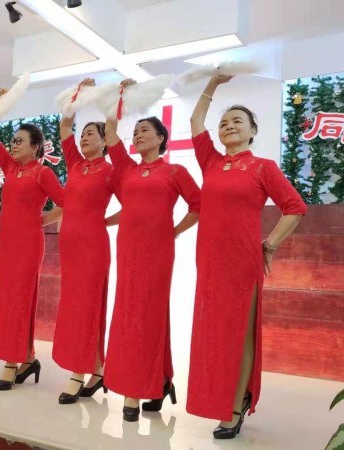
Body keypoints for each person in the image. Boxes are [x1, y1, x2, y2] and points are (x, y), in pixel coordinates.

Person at [186, 74, 306, 439]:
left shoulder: (263, 167)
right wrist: (212, 83)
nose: (229, 126)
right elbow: (195, 122)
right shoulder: (209, 161)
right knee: (214, 332)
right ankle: (221, 396)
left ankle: (235, 406)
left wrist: (269, 245)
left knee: (240, 334)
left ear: (253, 131)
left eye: (238, 121)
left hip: (242, 261)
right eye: (224, 123)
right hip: (208, 259)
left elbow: (295, 207)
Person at [102, 79, 201, 422]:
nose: (138, 135)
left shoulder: (175, 171)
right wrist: (120, 97)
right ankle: (159, 380)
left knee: (147, 315)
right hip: (127, 251)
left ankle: (135, 390)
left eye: (145, 130)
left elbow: (198, 206)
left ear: (161, 138)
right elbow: (110, 130)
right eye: (137, 131)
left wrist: (172, 232)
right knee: (130, 314)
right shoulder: (126, 169)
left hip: (157, 254)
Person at [0, 97, 65, 391]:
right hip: (9, 244)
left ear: (35, 147)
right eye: (14, 140)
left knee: (19, 300)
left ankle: (11, 361)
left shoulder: (42, 172)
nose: (14, 145)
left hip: (29, 246)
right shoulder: (10, 167)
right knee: (7, 300)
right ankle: (28, 358)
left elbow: (64, 203)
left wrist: (40, 222)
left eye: (20, 141)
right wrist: (0, 105)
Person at [53, 98, 119, 404]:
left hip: (93, 246)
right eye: (84, 135)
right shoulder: (76, 165)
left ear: (105, 141)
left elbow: (134, 205)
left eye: (91, 134)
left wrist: (104, 221)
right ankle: (97, 368)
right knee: (74, 306)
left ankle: (78, 373)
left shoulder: (111, 171)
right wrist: (75, 98)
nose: (84, 138)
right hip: (70, 245)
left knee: (87, 306)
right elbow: (65, 125)